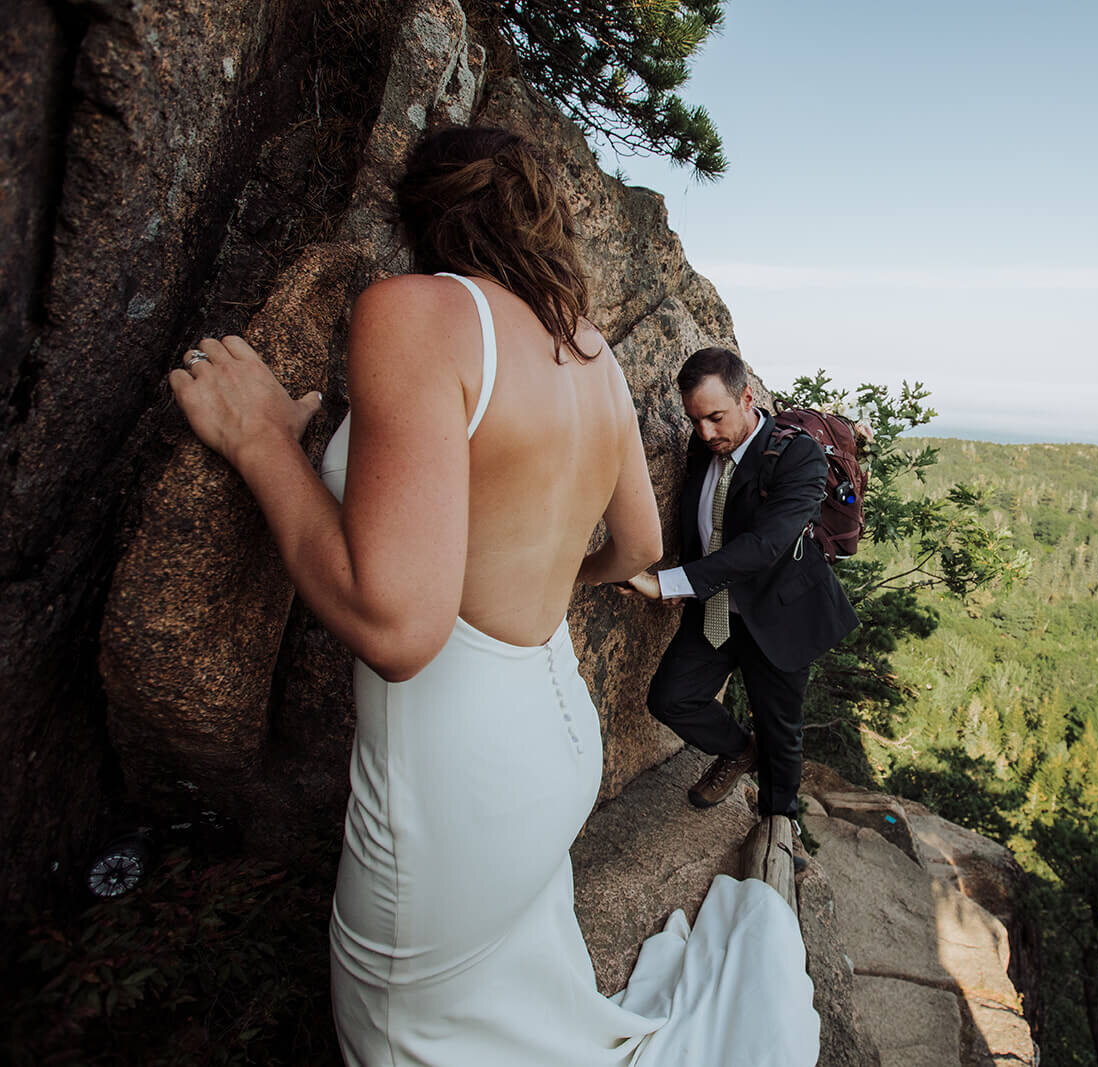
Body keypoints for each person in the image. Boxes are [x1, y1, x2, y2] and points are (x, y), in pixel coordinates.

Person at [170, 126, 819, 1065]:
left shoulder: (414, 312)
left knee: (398, 1029)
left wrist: (264, 443)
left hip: (456, 773)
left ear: (418, 218)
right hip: (553, 736)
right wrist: (553, 575)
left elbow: (399, 629)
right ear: (546, 224)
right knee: (495, 996)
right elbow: (637, 544)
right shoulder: (587, 353)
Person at [626, 349, 859, 828]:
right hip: (716, 609)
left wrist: (667, 583)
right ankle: (739, 751)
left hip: (779, 611)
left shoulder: (799, 456)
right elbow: (706, 522)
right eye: (696, 421)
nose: (706, 432)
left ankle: (780, 825)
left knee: (781, 728)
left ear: (747, 397)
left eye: (715, 417)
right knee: (671, 698)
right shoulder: (703, 447)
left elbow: (764, 545)